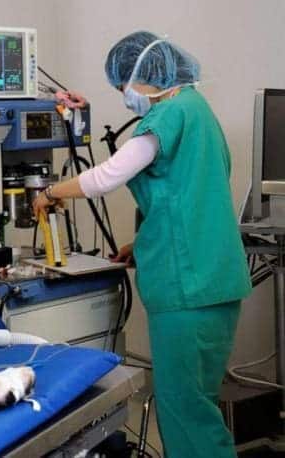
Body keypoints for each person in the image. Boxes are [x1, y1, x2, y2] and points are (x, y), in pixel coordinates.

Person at [34, 31, 251, 458]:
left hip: (186, 291)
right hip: (216, 282)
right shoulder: (198, 111)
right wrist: (144, 242)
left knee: (185, 411)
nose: (125, 97)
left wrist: (50, 193)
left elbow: (106, 176)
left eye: (123, 87)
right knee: (200, 405)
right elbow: (190, 195)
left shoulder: (168, 115)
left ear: (147, 74)